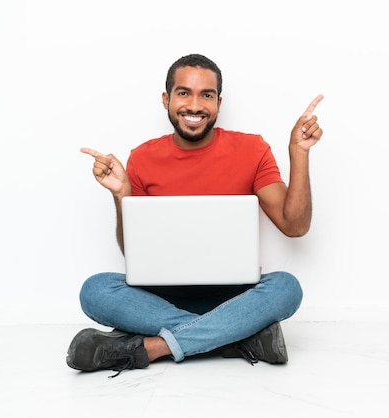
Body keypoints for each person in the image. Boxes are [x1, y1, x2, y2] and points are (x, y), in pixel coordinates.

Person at [66, 53, 324, 376]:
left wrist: (298, 153)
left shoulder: (252, 150)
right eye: (184, 93)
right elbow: (133, 254)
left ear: (219, 102)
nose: (195, 106)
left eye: (207, 95)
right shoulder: (142, 158)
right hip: (160, 301)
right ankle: (236, 338)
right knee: (95, 290)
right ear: (167, 99)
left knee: (287, 287)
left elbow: (295, 226)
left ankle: (151, 348)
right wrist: (122, 195)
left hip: (234, 298)